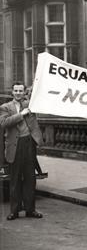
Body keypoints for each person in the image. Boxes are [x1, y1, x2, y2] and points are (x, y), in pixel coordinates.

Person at [0, 82, 44, 220]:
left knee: (30, 179)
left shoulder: (30, 105)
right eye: (16, 90)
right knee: (15, 180)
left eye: (21, 90)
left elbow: (42, 99)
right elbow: (4, 123)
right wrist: (21, 114)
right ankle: (14, 211)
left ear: (24, 92)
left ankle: (31, 210)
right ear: (12, 92)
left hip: (29, 144)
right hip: (15, 146)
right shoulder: (5, 107)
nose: (18, 93)